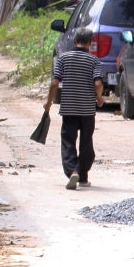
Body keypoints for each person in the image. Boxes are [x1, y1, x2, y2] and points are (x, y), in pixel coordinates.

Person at [44, 27, 104, 189]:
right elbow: (97, 83)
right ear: (90, 43)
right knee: (86, 142)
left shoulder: (63, 58)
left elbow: (55, 82)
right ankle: (83, 178)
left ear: (74, 41)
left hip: (69, 109)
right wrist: (99, 98)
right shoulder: (93, 61)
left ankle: (72, 172)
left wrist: (49, 103)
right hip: (87, 110)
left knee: (68, 141)